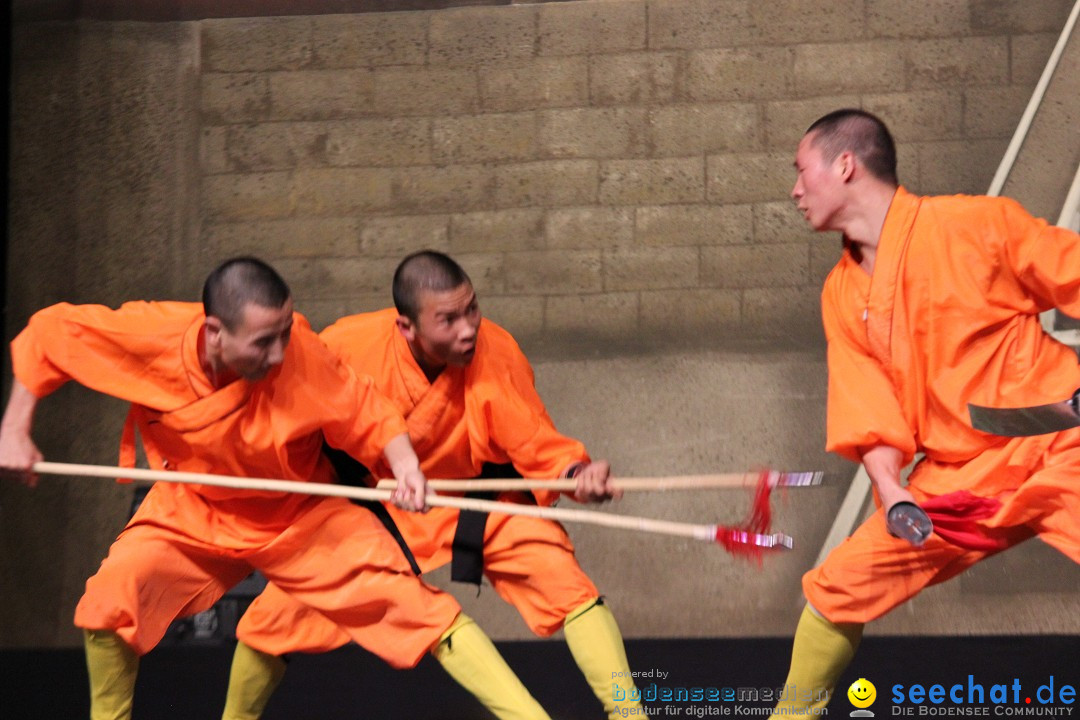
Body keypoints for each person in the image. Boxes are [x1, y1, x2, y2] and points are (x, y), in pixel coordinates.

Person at [0, 257, 552, 720]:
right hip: (194, 509)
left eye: (285, 333)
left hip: (302, 516)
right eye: (264, 342)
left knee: (422, 611)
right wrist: (13, 428)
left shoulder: (300, 353)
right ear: (215, 333)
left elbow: (367, 411)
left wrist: (406, 467)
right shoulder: (153, 335)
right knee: (112, 595)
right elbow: (52, 335)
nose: (281, 354)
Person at [224, 250, 643, 720]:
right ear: (407, 326)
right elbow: (286, 401)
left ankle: (630, 714)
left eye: (472, 309)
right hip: (375, 505)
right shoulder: (348, 343)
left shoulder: (495, 350)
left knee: (566, 582)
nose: (468, 328)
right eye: (448, 319)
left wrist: (574, 476)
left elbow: (536, 441)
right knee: (277, 612)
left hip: (475, 498)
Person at [770, 109, 1080, 715]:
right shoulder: (840, 292)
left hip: (1062, 442)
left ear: (845, 164)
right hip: (959, 478)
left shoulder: (975, 224)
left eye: (801, 171)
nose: (795, 189)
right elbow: (870, 408)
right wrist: (892, 491)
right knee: (837, 588)